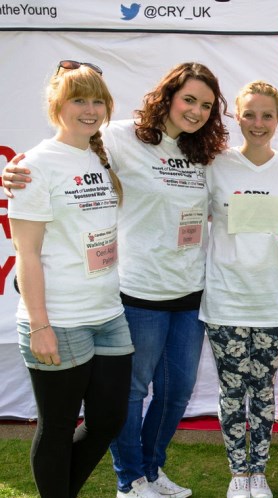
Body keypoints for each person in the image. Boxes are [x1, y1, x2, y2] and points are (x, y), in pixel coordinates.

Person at [3, 62, 230, 498]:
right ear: (168, 96)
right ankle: (131, 479)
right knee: (129, 394)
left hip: (186, 290)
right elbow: (65, 144)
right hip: (135, 291)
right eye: (189, 99)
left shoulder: (203, 152)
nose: (196, 111)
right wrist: (16, 169)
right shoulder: (119, 137)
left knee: (175, 393)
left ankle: (152, 468)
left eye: (205, 105)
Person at [8, 60, 134, 498]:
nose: (90, 108)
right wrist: (40, 323)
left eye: (98, 100)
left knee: (109, 420)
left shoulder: (99, 157)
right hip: (57, 318)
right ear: (57, 105)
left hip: (106, 312)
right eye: (79, 99)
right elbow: (26, 252)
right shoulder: (36, 165)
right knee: (58, 426)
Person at [199, 81, 278, 498]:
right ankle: (237, 473)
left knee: (262, 389)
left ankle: (258, 470)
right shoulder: (215, 165)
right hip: (225, 298)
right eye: (250, 114)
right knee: (231, 390)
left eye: (267, 115)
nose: (258, 123)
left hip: (273, 300)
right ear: (236, 117)